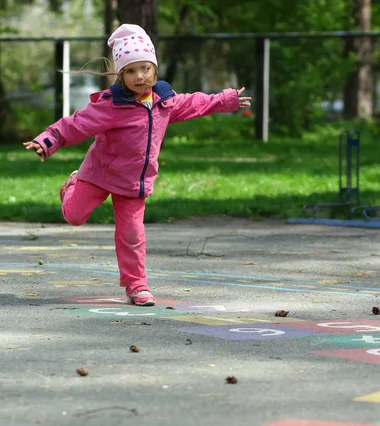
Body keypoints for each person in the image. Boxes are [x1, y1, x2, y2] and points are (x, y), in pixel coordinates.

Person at [23, 24, 252, 307]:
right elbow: (77, 123)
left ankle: (136, 285)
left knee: (132, 235)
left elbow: (196, 103)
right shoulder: (112, 106)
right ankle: (72, 185)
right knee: (74, 216)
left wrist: (226, 99)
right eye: (131, 71)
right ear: (121, 74)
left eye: (145, 68)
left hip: (133, 183)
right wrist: (48, 140)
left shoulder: (165, 102)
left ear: (154, 69)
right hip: (99, 174)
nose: (139, 76)